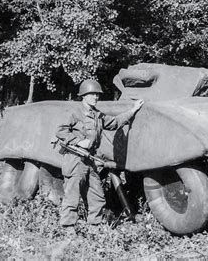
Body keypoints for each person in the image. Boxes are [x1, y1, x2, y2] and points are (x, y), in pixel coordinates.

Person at [56, 79, 144, 234]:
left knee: (97, 195)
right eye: (92, 94)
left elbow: (115, 122)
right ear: (83, 96)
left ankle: (94, 227)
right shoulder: (74, 112)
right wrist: (79, 142)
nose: (95, 97)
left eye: (97, 94)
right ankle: (68, 230)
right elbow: (60, 131)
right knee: (72, 196)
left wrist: (133, 110)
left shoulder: (98, 115)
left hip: (91, 161)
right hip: (75, 159)